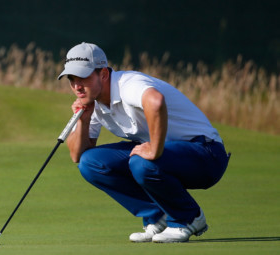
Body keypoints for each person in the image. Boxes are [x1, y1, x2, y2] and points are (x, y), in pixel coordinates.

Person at [59, 42, 230, 243]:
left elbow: (155, 101)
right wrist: (84, 120)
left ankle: (188, 218)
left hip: (206, 154)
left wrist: (154, 150)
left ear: (103, 74)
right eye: (72, 79)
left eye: (83, 77)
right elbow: (77, 155)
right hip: (169, 157)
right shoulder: (93, 101)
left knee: (141, 162)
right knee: (91, 162)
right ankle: (159, 216)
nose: (77, 86)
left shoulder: (129, 84)